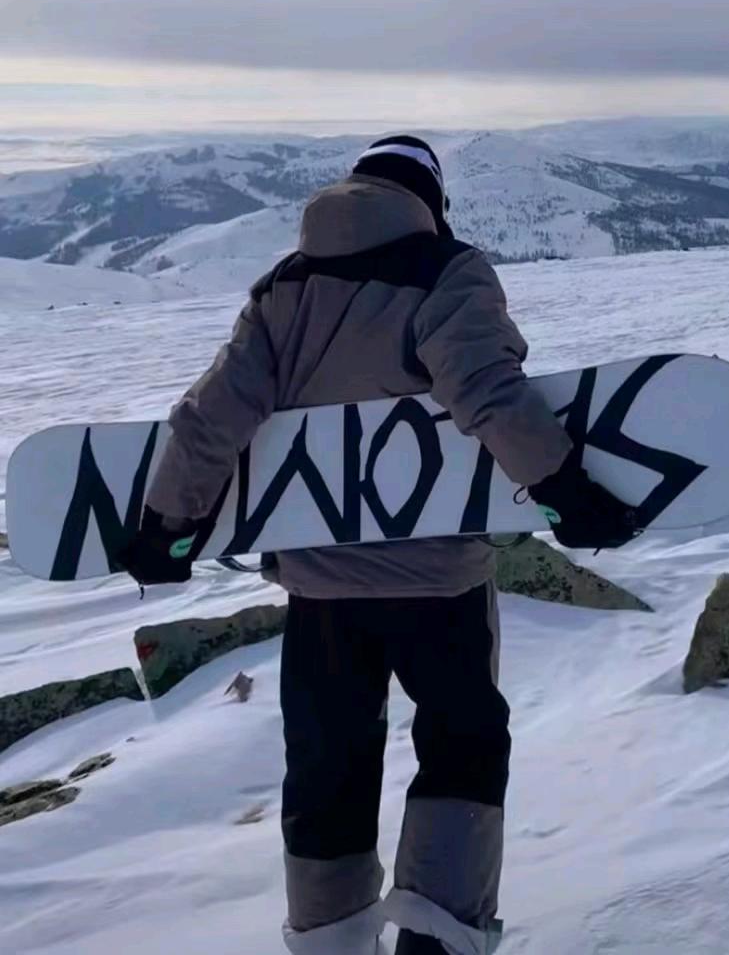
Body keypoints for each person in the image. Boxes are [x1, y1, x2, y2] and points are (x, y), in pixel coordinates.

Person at [117, 136, 640, 955]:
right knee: (462, 748)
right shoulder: (445, 269)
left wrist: (165, 525)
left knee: (328, 765)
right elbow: (486, 392)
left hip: (322, 592)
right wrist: (565, 489)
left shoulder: (283, 290)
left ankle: (327, 940)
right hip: (439, 583)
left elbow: (211, 417)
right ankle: (442, 935)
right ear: (429, 198)